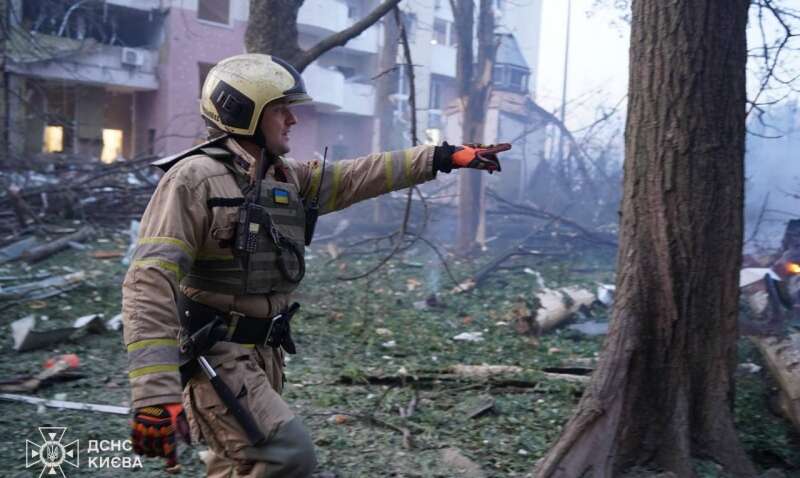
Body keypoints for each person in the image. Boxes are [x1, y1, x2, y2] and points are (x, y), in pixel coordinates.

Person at [123, 53, 510, 477]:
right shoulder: (193, 179)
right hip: (217, 354)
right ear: (244, 113)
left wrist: (442, 157)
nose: (292, 119)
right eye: (280, 110)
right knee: (288, 455)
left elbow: (362, 174)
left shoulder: (285, 178)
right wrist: (155, 396)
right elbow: (148, 283)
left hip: (264, 354)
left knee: (238, 465)